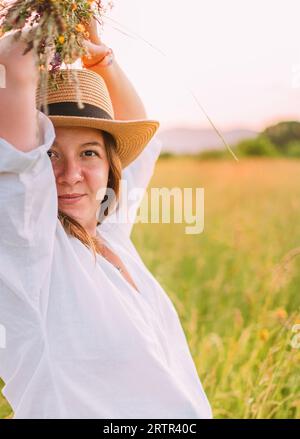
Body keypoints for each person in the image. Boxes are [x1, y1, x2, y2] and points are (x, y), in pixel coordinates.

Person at [0, 23, 213, 419]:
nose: (70, 174)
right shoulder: (29, 247)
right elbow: (15, 162)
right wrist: (31, 25)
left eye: (89, 153)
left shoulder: (108, 231)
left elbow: (140, 145)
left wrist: (101, 59)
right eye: (50, 154)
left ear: (110, 165)